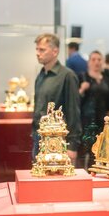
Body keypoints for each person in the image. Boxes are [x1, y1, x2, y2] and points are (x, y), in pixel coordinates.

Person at [33, 34, 81, 163]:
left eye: (42, 50)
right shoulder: (41, 75)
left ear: (55, 51)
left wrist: (72, 145)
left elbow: (73, 112)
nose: (38, 53)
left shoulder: (67, 76)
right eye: (37, 49)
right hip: (39, 138)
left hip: (58, 141)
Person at [77, 50, 109, 169]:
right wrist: (82, 89)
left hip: (101, 121)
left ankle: (95, 179)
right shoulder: (82, 77)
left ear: (102, 62)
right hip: (85, 121)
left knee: (98, 153)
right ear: (89, 62)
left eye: (99, 59)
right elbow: (74, 99)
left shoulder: (107, 79)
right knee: (83, 152)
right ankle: (81, 180)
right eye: (93, 59)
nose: (96, 62)